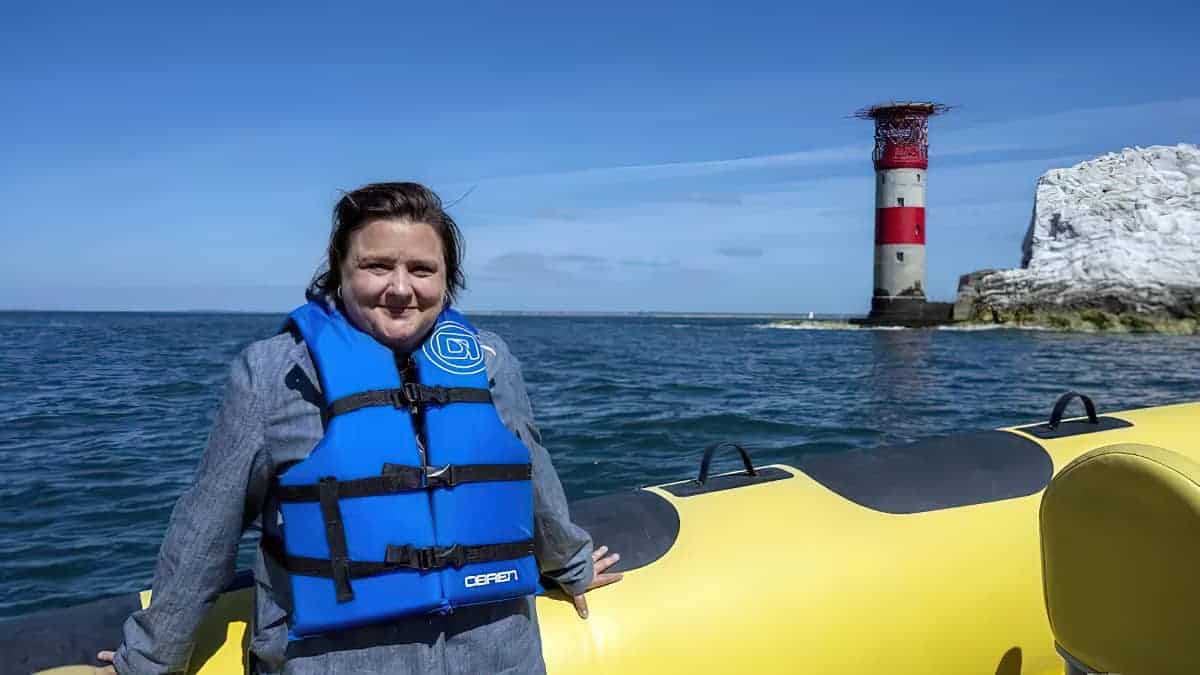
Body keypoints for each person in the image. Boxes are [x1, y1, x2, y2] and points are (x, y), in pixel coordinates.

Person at [96, 182, 622, 674]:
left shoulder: (488, 360)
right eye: (376, 266)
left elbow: (528, 472)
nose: (400, 288)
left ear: (446, 278)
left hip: (495, 651)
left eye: (422, 269)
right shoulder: (274, 373)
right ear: (339, 270)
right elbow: (206, 527)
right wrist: (151, 658)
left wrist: (571, 566)